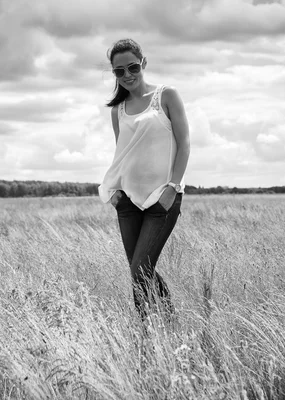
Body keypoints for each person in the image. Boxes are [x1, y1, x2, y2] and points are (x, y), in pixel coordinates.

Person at [98, 38, 191, 321]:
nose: (127, 75)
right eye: (119, 71)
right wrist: (114, 192)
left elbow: (184, 142)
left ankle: (161, 325)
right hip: (127, 201)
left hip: (161, 199)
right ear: (113, 73)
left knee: (140, 268)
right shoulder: (118, 110)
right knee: (140, 270)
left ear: (144, 64)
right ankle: (154, 329)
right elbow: (121, 154)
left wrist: (173, 188)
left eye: (132, 67)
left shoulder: (166, 95)